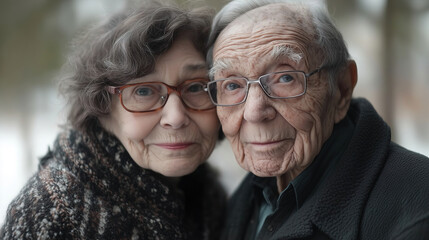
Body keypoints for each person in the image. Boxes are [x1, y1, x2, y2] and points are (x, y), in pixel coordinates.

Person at [0, 0, 226, 239]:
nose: (176, 117)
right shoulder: (52, 211)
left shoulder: (210, 196)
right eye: (143, 92)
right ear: (101, 108)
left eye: (196, 87)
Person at [205, 0, 429, 239]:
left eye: (285, 78)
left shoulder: (417, 206)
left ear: (342, 88)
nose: (254, 112)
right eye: (231, 85)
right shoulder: (239, 201)